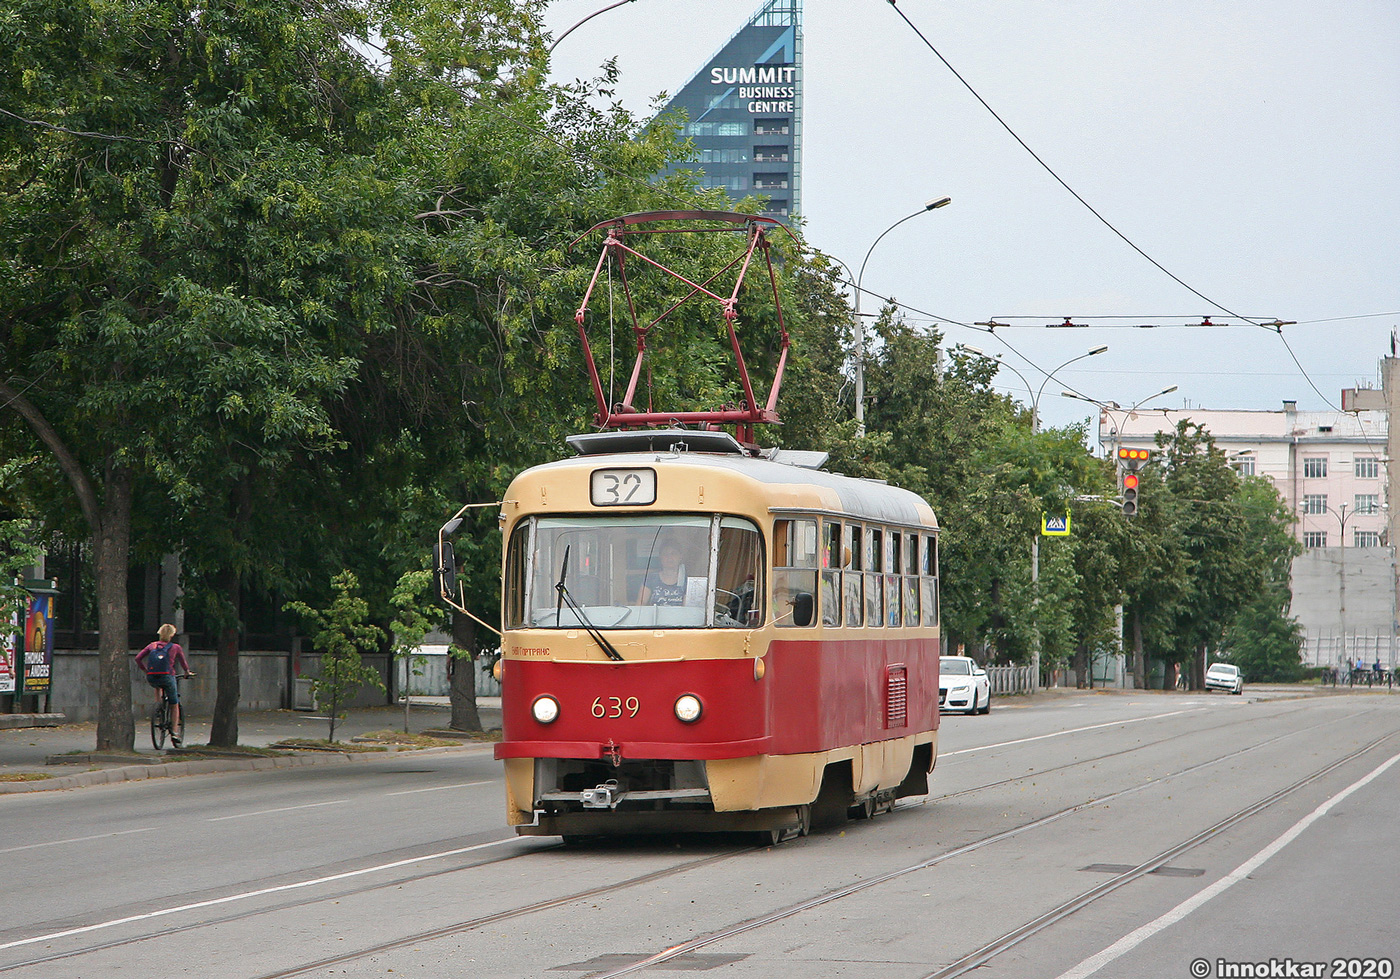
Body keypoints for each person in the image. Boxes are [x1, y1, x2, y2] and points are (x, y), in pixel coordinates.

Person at [136, 624, 194, 746]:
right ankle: (174, 731)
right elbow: (183, 662)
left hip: (152, 676)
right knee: (174, 703)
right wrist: (187, 672)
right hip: (167, 676)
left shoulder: (152, 645)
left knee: (158, 686)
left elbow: (138, 658)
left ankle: (159, 707)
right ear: (172, 635)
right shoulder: (176, 647)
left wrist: (146, 670)